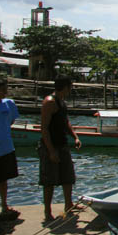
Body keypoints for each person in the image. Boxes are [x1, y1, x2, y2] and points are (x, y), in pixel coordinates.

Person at [40, 75, 82, 222]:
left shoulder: (61, 102)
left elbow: (66, 122)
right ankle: (47, 211)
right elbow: (44, 129)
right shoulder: (49, 102)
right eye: (70, 87)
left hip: (63, 144)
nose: (71, 89)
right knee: (49, 180)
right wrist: (51, 151)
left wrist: (75, 137)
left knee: (68, 177)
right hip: (51, 146)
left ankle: (68, 205)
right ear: (65, 87)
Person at [0, 74, 21, 221]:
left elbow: (11, 121)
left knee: (4, 178)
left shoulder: (9, 104)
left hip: (6, 147)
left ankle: (4, 205)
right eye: (2, 90)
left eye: (5, 90)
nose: (4, 92)